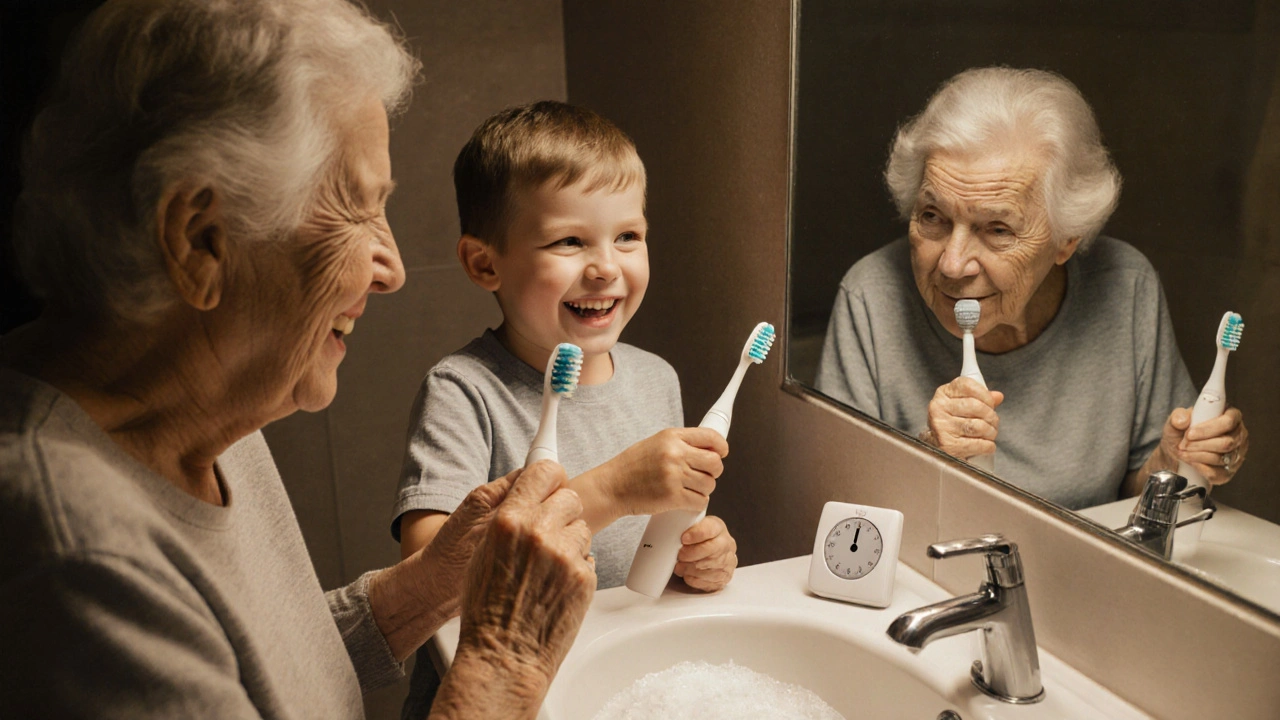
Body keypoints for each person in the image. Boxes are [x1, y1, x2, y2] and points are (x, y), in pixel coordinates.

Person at [0, 1, 595, 718]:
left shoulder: (215, 414)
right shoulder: (73, 560)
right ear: (200, 240)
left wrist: (440, 581)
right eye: (356, 208)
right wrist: (505, 658)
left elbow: (269, 678)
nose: (393, 268)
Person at [392, 101, 740, 716]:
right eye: (569, 241)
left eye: (628, 236)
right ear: (485, 263)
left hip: (612, 680)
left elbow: (656, 543)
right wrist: (613, 489)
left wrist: (697, 554)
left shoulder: (657, 377)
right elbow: (432, 580)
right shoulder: (465, 391)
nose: (606, 266)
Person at [815, 67, 1251, 510]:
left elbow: (1136, 502)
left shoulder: (1125, 287)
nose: (951, 263)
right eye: (932, 217)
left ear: (1067, 239)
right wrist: (932, 451)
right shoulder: (871, 297)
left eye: (998, 229)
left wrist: (1172, 461)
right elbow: (837, 512)